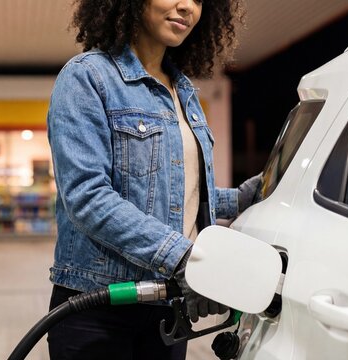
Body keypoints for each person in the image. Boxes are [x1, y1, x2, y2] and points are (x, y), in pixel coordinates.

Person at [45, 0, 261, 358]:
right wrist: (186, 259)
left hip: (168, 308)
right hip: (99, 309)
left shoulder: (183, 90)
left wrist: (241, 198)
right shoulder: (87, 77)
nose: (186, 7)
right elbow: (87, 196)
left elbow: (175, 193)